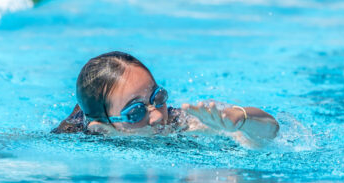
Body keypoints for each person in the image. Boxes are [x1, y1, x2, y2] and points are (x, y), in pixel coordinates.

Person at [52, 51, 279, 145]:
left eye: (158, 97)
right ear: (102, 128)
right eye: (136, 112)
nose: (158, 116)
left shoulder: (177, 121)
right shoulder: (79, 138)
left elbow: (271, 131)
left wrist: (241, 119)